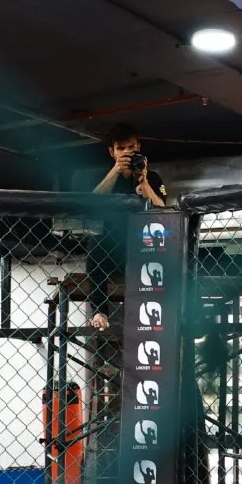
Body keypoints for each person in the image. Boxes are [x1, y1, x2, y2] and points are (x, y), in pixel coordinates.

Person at [88, 123, 168, 331]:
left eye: (131, 147)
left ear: (138, 148)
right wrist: (116, 171)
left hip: (142, 245)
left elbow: (162, 210)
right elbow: (91, 203)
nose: (126, 152)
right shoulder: (103, 176)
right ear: (112, 152)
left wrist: (143, 181)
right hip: (111, 246)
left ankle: (151, 314)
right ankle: (99, 311)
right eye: (121, 148)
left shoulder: (152, 177)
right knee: (95, 241)